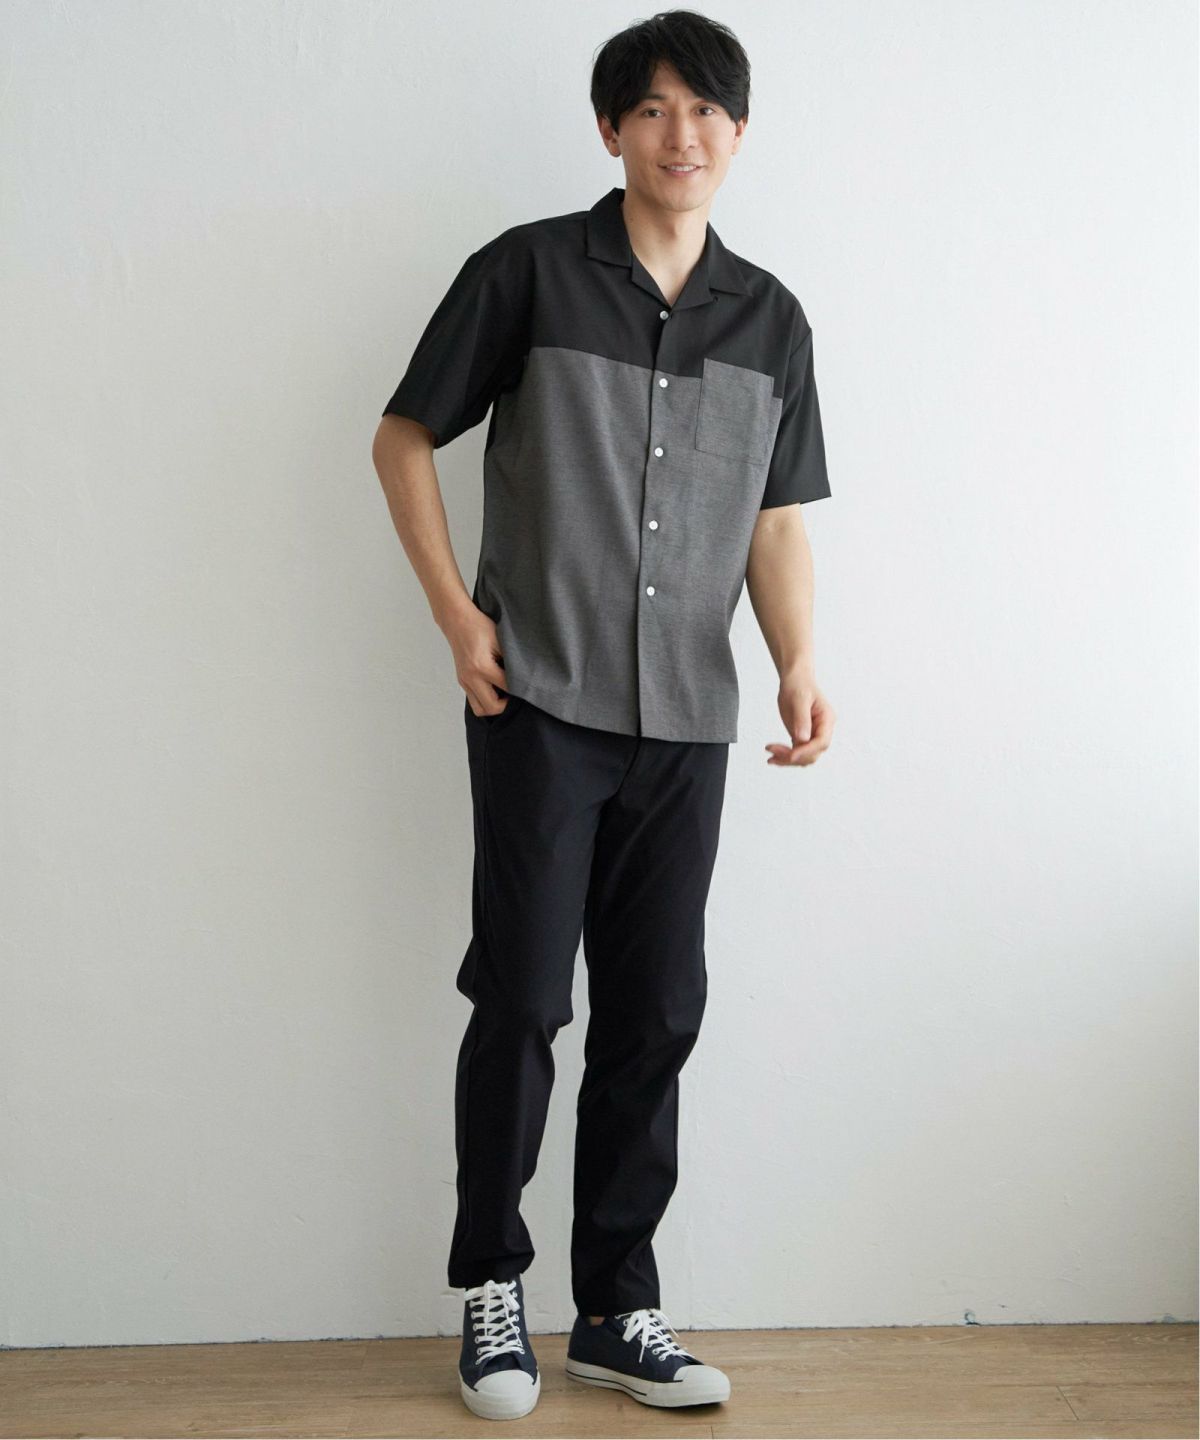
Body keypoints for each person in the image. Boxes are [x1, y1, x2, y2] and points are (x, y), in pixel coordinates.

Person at [371, 8, 835, 1422]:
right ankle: (491, 1289)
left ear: (739, 132)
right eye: (652, 108)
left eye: (705, 110)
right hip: (542, 698)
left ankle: (617, 1309)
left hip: (688, 718)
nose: (680, 133)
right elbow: (402, 435)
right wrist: (456, 617)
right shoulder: (525, 273)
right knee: (522, 996)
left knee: (657, 1012)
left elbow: (775, 518)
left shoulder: (772, 320)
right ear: (612, 129)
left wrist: (799, 661)